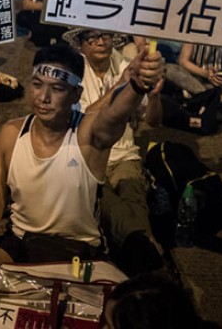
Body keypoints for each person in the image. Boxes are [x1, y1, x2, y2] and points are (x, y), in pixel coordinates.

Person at [0, 43, 164, 295]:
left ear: (76, 94)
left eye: (58, 89)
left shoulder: (87, 135)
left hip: (78, 252)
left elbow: (114, 115)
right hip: (20, 243)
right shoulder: (11, 133)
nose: (43, 97)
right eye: (37, 84)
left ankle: (28, 298)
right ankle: (42, 298)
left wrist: (137, 85)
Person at [65, 28, 164, 276]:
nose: (101, 42)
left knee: (134, 197)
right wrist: (122, 87)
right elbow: (85, 118)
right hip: (87, 155)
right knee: (105, 200)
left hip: (124, 155)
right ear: (81, 45)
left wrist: (153, 98)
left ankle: (139, 255)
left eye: (106, 36)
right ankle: (149, 257)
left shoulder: (126, 66)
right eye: (92, 37)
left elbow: (153, 122)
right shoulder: (74, 72)